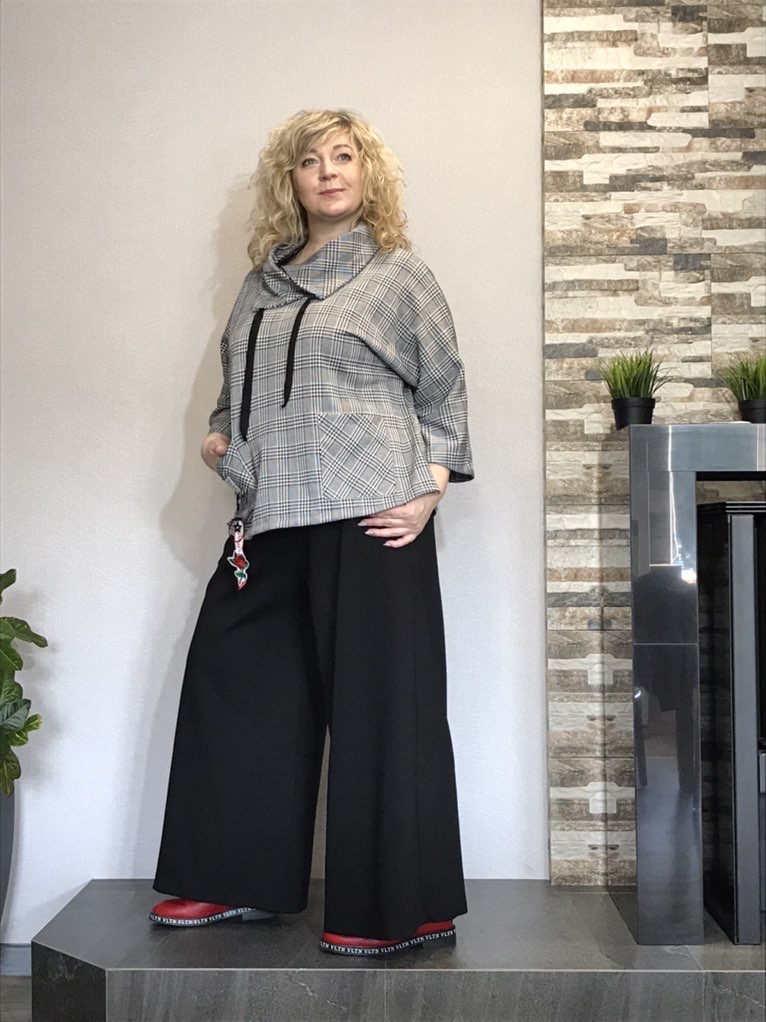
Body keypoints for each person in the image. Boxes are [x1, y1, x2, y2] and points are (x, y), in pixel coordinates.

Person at [150, 109, 474, 956]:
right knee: (240, 691)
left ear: (368, 173)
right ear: (287, 181)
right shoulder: (259, 286)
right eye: (310, 160)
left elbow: (444, 394)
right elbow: (234, 397)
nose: (328, 171)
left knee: (380, 711)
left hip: (371, 516)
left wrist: (431, 490)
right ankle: (234, 880)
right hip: (270, 516)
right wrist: (220, 442)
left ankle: (400, 910)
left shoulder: (399, 275)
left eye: (343, 155)